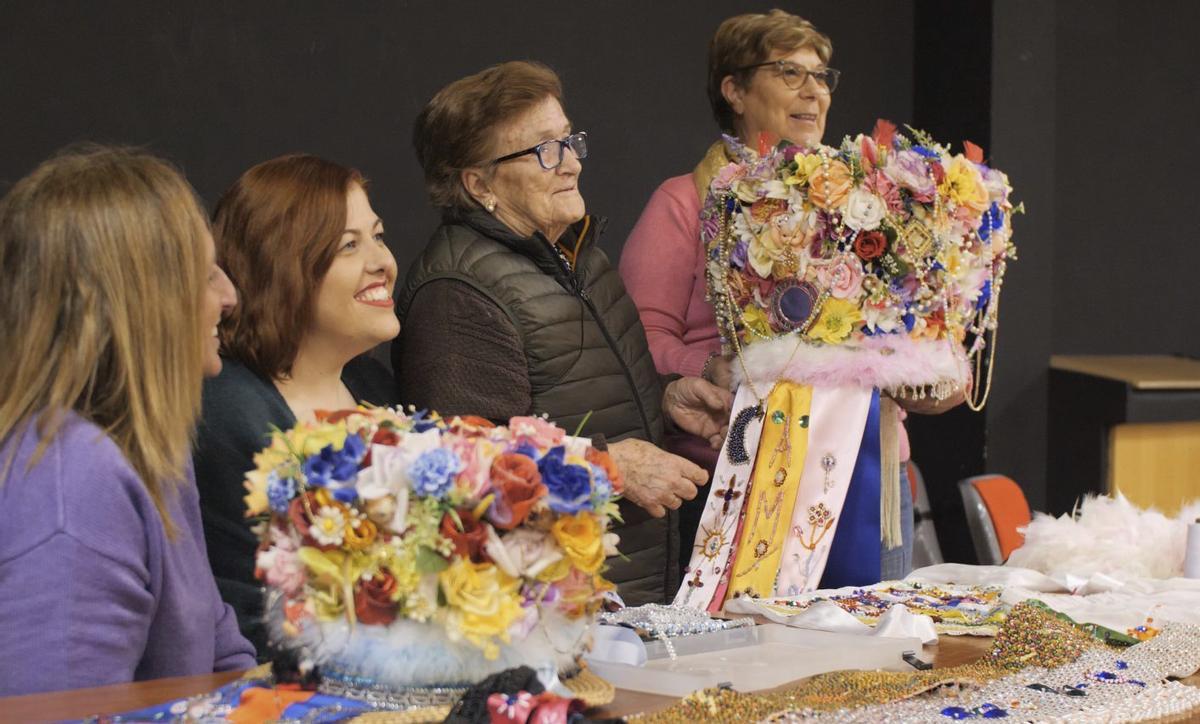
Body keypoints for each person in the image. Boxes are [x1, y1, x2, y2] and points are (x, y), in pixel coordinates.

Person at [621, 10, 963, 599]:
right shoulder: (683, 203)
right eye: (788, 72)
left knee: (874, 668)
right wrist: (714, 369)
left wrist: (925, 371)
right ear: (734, 89)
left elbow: (928, 335)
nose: (813, 91)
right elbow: (635, 344)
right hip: (740, 474)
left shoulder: (873, 204)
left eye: (821, 76)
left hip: (868, 478)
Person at [394, 61, 731, 606]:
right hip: (552, 610)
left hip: (627, 589)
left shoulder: (577, 253)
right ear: (479, 184)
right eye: (544, 150)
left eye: (568, 140)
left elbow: (572, 394)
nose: (571, 163)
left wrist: (665, 398)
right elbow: (469, 470)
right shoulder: (456, 292)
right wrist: (610, 466)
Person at [0, 146, 253, 695]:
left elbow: (221, 654)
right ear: (144, 302)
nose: (230, 296)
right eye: (207, 273)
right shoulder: (71, 478)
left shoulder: (154, 448)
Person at [195, 155, 400, 657]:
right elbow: (250, 610)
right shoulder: (230, 414)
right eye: (349, 245)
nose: (382, 261)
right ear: (284, 269)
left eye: (378, 235)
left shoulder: (374, 385)